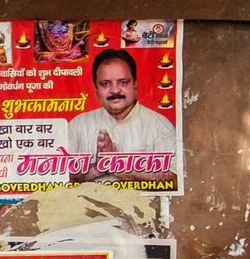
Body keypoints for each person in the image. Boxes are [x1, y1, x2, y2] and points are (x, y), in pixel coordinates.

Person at [64, 49, 178, 177]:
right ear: (96, 90)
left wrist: (117, 166)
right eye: (105, 84)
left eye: (123, 82)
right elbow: (58, 174)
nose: (115, 90)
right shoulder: (78, 124)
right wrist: (96, 169)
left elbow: (176, 178)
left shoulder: (160, 126)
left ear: (135, 85)